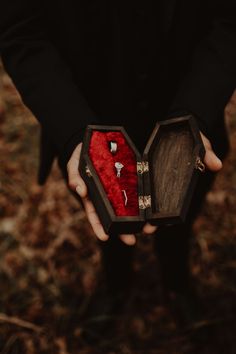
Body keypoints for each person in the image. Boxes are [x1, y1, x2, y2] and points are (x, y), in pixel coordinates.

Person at [0, 0, 235, 330]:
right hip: (86, 111)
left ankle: (177, 276)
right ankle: (115, 280)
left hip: (186, 101)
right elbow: (21, 32)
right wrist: (73, 132)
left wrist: (194, 113)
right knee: (106, 216)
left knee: (182, 211)